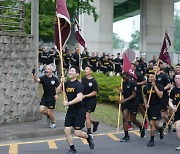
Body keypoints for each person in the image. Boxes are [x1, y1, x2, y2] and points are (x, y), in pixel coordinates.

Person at [56, 66, 94, 154]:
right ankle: (72, 148)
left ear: (77, 74)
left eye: (72, 71)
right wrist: (61, 83)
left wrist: (68, 103)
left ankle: (88, 137)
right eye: (69, 70)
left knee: (78, 132)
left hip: (79, 111)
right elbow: (57, 91)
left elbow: (79, 98)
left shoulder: (79, 85)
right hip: (71, 111)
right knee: (67, 130)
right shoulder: (67, 83)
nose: (70, 72)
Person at [119, 72, 145, 142]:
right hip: (125, 103)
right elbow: (125, 93)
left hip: (133, 102)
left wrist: (124, 100)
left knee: (133, 119)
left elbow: (133, 95)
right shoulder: (123, 83)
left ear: (128, 77)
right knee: (125, 117)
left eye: (124, 78)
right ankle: (126, 135)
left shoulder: (133, 83)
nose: (123, 79)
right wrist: (121, 92)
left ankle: (141, 127)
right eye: (122, 78)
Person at [32, 64, 60, 129]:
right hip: (45, 97)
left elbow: (59, 88)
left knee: (50, 111)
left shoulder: (54, 79)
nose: (47, 70)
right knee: (41, 110)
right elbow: (37, 80)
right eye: (46, 69)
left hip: (52, 98)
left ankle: (53, 122)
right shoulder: (43, 78)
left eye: (48, 69)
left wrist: (57, 95)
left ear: (52, 70)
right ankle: (49, 116)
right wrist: (34, 75)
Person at [143, 72, 164, 146]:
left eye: (151, 77)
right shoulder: (146, 87)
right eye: (149, 77)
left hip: (157, 106)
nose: (150, 78)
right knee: (153, 124)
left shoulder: (159, 86)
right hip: (150, 107)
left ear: (154, 78)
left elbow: (160, 95)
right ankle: (160, 129)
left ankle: (152, 140)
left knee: (152, 123)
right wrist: (146, 104)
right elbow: (145, 96)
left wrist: (155, 86)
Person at [153, 65, 172, 131]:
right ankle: (157, 127)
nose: (154, 69)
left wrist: (163, 89)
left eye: (155, 67)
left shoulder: (163, 76)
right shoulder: (152, 76)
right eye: (153, 68)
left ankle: (169, 123)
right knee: (156, 112)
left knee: (163, 114)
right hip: (155, 97)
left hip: (163, 96)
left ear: (159, 68)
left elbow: (169, 84)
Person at [82, 66, 99, 134]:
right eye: (85, 69)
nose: (85, 70)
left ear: (90, 72)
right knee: (84, 115)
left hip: (91, 101)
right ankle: (94, 123)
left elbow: (94, 92)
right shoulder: (82, 79)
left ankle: (89, 131)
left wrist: (86, 95)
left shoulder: (93, 81)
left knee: (87, 115)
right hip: (83, 100)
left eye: (87, 69)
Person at [169, 74, 180, 151]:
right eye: (176, 78)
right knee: (177, 128)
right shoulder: (173, 90)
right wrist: (173, 107)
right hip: (178, 111)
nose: (177, 80)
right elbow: (169, 101)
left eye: (179, 78)